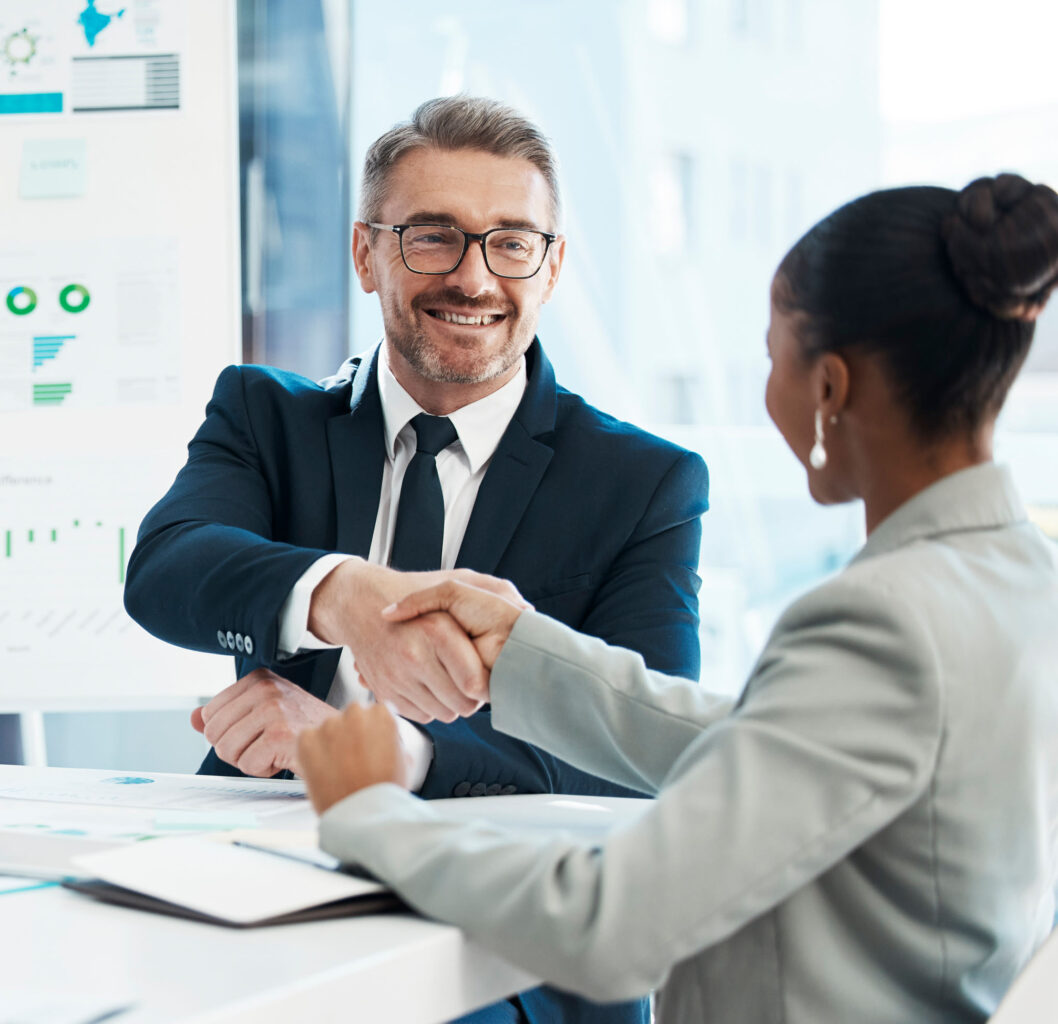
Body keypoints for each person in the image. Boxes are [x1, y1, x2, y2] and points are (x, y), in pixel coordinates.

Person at [297, 173, 1058, 1023]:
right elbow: (773, 748)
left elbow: (608, 923)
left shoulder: (883, 619)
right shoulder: (1023, 580)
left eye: (773, 358)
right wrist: (523, 653)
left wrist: (370, 814)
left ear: (831, 388)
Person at [124, 96, 708, 1024]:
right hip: (262, 901)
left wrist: (408, 754)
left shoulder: (643, 480)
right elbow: (166, 568)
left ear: (551, 267)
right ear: (367, 254)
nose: (473, 277)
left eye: (511, 242)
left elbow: (643, 750)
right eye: (431, 237)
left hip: (504, 951)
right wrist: (343, 595)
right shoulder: (264, 416)